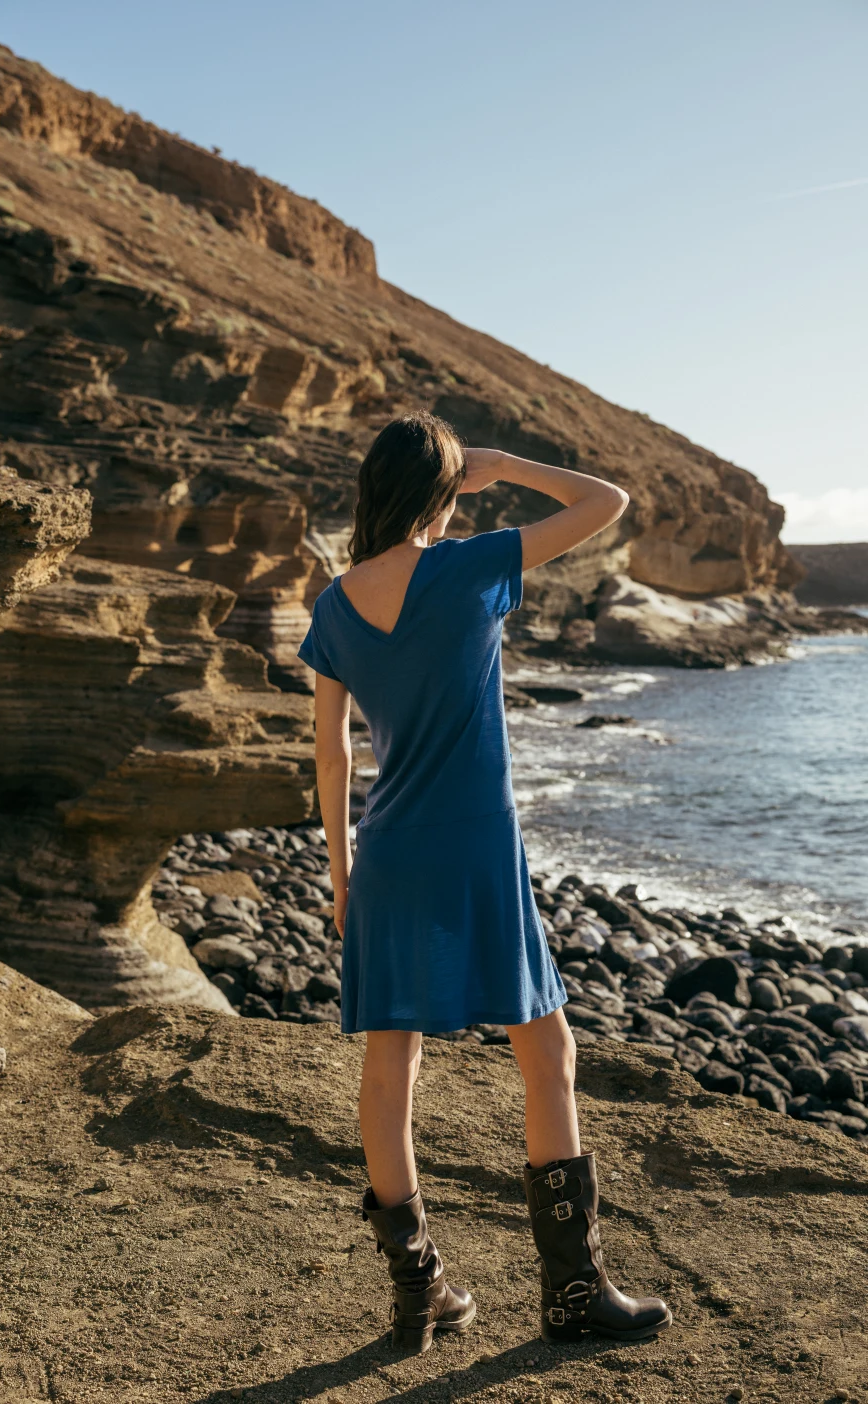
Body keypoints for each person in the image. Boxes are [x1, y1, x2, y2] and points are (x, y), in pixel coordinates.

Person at [297, 410, 672, 1354]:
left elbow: (334, 754)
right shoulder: (473, 567)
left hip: (386, 853)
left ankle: (417, 1292)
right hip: (475, 848)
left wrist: (340, 869)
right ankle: (574, 1291)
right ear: (444, 486)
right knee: (547, 1056)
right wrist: (499, 464)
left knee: (391, 1071)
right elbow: (607, 502)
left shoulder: (337, 605)